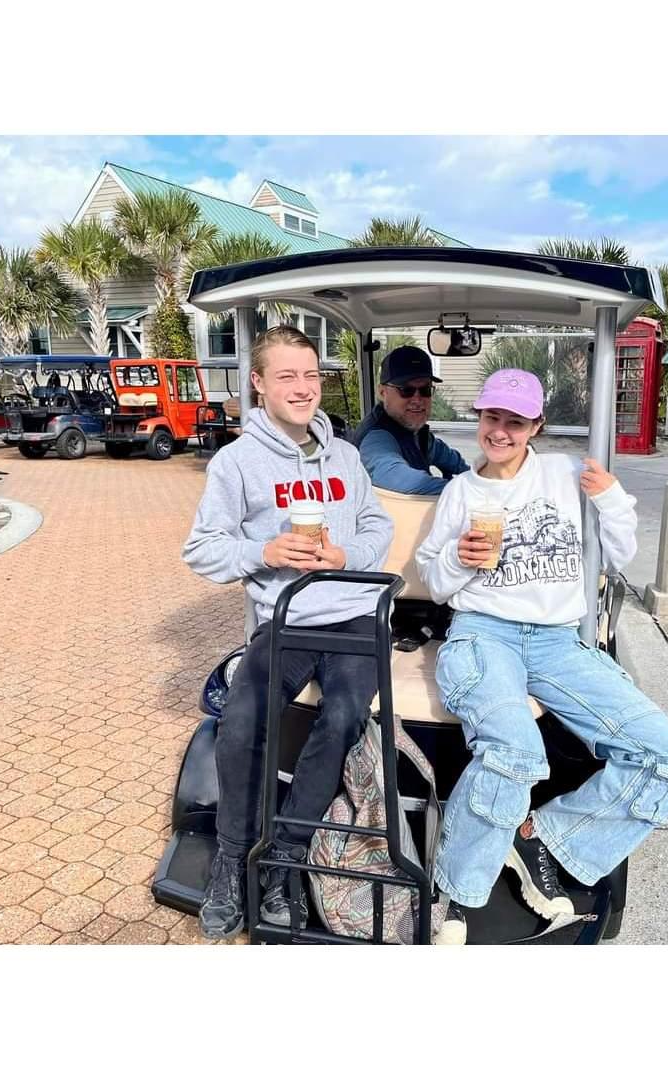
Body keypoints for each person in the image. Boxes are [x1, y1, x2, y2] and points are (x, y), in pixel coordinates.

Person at [415, 368, 668, 944]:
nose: (500, 431)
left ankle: (543, 835)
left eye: (514, 422)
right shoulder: (462, 492)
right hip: (482, 632)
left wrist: (613, 499)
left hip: (556, 639)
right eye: (492, 418)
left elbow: (618, 554)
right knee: (515, 752)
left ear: (536, 427)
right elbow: (435, 580)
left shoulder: (567, 475)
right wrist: (459, 560)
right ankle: (457, 892)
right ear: (480, 419)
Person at [183, 325, 393, 940]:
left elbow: (378, 529)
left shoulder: (347, 457)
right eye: (287, 376)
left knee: (346, 715)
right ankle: (232, 857)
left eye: (311, 375)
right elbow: (202, 550)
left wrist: (344, 555)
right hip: (286, 619)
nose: (303, 389)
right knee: (243, 719)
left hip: (353, 613)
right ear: (259, 383)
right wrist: (264, 549)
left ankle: (289, 856)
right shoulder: (237, 462)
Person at [354, 345, 469, 494]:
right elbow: (397, 477)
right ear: (382, 392)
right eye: (406, 390)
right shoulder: (376, 437)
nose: (417, 399)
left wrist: (477, 478)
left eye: (425, 390)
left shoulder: (414, 431)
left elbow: (448, 457)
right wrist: (466, 492)